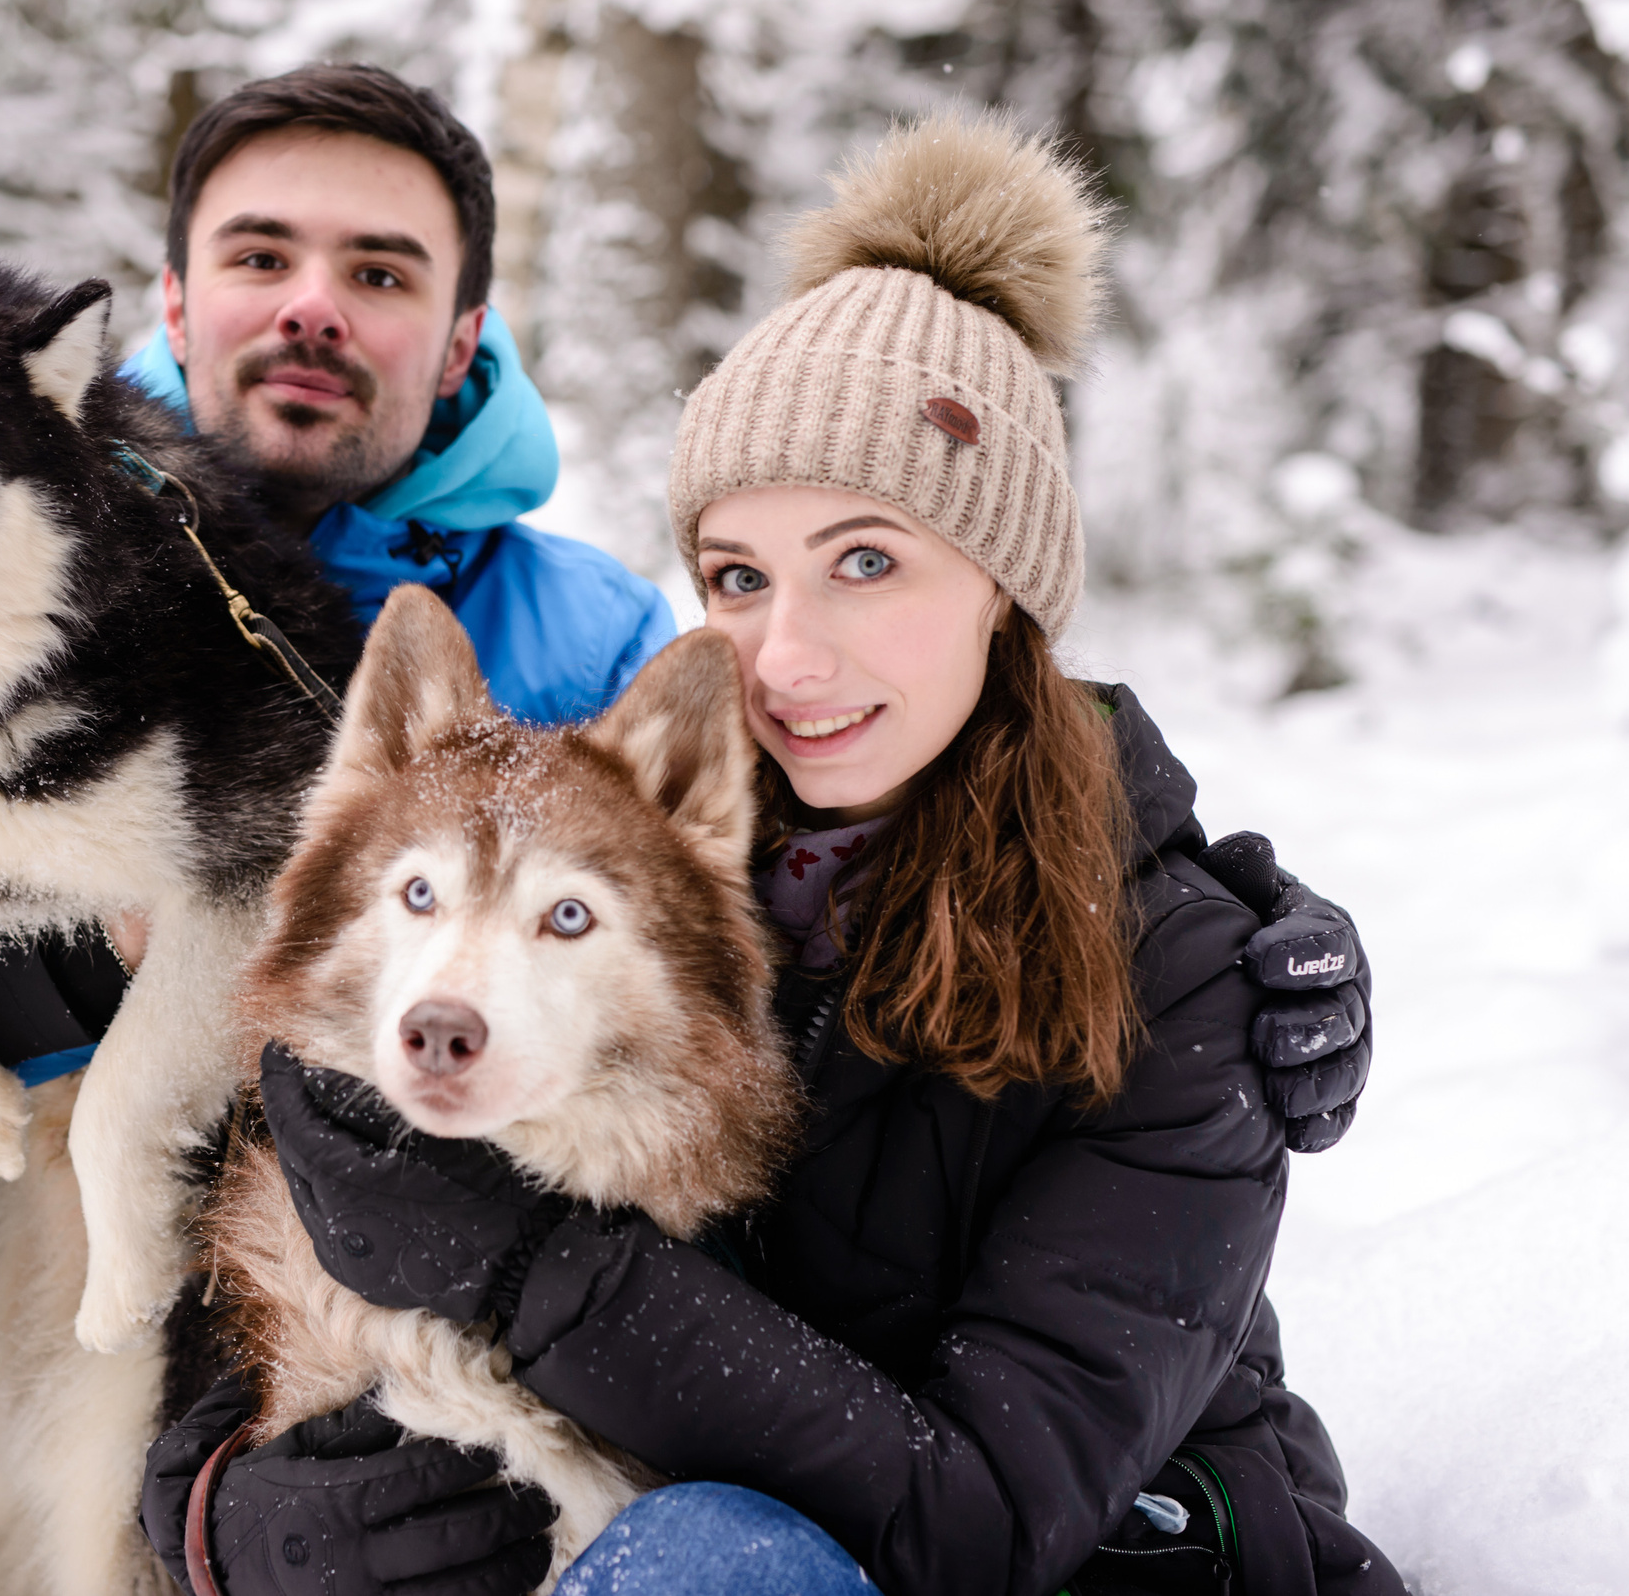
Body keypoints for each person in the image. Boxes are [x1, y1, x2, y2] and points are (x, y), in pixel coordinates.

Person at [147, 112, 1395, 1596]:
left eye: (867, 561)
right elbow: (263, 1287)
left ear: (1007, 588)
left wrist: (520, 1261)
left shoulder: (1193, 979)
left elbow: (977, 1524)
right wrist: (239, 1517)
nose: (788, 654)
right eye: (739, 576)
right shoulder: (655, 867)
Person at [0, 64, 677, 1596]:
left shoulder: (582, 636)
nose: (311, 305)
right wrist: (95, 973)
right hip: (26, 1192)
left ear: (461, 340)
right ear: (174, 304)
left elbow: (677, 1010)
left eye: (377, 273)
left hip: (377, 1228)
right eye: (262, 256)